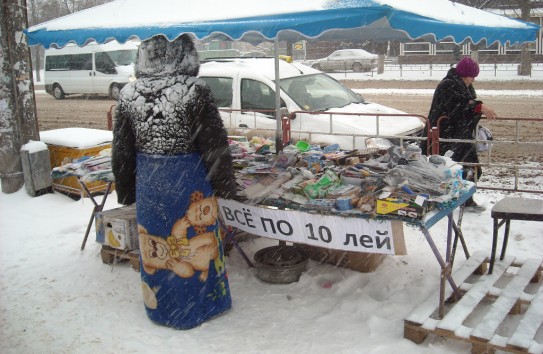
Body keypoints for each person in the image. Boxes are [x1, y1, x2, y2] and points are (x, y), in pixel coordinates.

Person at [111, 34, 237, 329]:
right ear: (186, 54)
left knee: (158, 248)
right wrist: (226, 186)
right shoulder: (196, 91)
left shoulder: (128, 95)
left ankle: (162, 305)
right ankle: (201, 304)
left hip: (151, 184)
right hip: (190, 181)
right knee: (194, 245)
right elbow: (214, 146)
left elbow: (121, 150)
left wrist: (127, 190)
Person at [420, 57, 497, 207]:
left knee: (471, 169)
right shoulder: (447, 85)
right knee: (448, 171)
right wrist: (478, 106)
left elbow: (464, 105)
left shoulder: (463, 86)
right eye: (472, 76)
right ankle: (453, 202)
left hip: (458, 136)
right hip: (444, 136)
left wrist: (475, 107)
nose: (473, 80)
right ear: (463, 74)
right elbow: (456, 106)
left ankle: (463, 201)